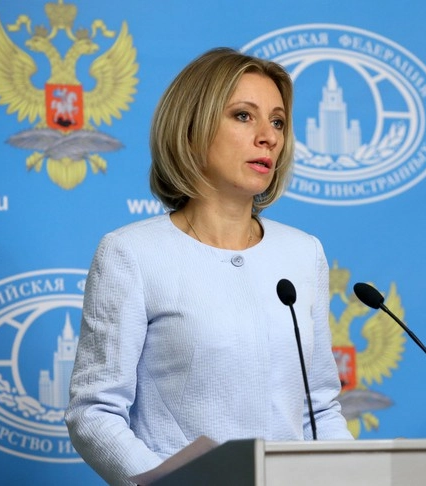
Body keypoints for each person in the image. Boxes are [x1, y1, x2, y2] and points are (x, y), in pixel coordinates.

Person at [65, 47, 352, 485]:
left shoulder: (302, 252)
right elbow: (95, 413)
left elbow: (321, 409)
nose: (268, 137)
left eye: (277, 122)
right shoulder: (131, 253)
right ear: (192, 128)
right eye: (243, 116)